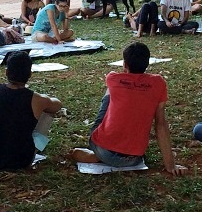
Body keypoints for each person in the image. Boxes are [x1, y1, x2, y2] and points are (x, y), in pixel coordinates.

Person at [68, 42, 187, 176]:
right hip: (133, 158)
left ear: (124, 64)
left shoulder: (113, 78)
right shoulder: (158, 83)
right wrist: (170, 165)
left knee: (109, 96)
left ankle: (98, 156)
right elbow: (160, 124)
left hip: (103, 149)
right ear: (147, 64)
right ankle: (102, 157)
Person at [0, 51, 63, 170]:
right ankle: (37, 145)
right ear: (30, 74)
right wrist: (43, 99)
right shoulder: (37, 99)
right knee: (47, 111)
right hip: (21, 160)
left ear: (6, 72)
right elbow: (57, 105)